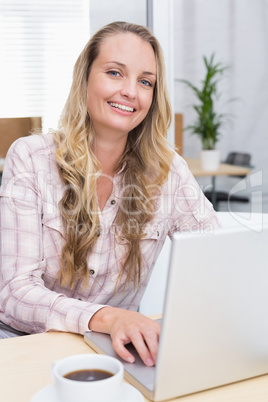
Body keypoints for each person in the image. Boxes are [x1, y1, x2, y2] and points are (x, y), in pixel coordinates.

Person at [0, 21, 219, 366]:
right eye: (115, 73)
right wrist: (109, 317)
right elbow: (14, 293)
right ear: (85, 78)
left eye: (145, 81)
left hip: (117, 354)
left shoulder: (168, 171)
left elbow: (217, 254)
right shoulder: (30, 158)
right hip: (28, 346)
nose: (131, 91)